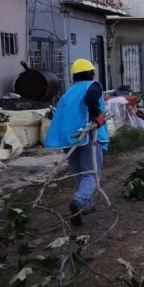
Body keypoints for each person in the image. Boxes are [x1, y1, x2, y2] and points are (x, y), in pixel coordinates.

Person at [44, 59, 108, 227]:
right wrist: (97, 117)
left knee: (80, 174)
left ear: (74, 76)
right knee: (91, 173)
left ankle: (83, 205)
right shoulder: (93, 86)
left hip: (69, 140)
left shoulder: (68, 93)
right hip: (88, 136)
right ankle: (79, 201)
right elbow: (91, 99)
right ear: (91, 73)